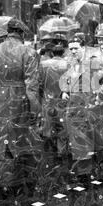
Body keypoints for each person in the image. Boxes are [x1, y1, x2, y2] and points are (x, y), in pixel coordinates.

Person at [0, 18, 42, 199]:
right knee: (22, 138)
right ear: (22, 33)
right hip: (20, 98)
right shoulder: (29, 52)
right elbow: (32, 85)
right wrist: (35, 110)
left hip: (0, 96)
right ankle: (21, 182)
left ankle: (4, 182)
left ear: (7, 31)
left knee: (1, 137)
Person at [60, 33, 103, 183]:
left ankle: (87, 171)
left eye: (76, 48)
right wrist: (65, 90)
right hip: (74, 106)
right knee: (78, 140)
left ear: (83, 48)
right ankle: (83, 171)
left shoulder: (93, 62)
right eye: (71, 49)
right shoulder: (72, 63)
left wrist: (100, 96)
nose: (73, 51)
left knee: (88, 139)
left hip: (89, 105)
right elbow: (67, 78)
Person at [38, 32, 69, 160]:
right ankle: (61, 153)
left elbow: (39, 83)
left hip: (47, 99)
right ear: (63, 53)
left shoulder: (44, 65)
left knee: (47, 128)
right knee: (62, 128)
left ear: (52, 53)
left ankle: (49, 154)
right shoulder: (67, 65)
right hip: (62, 100)